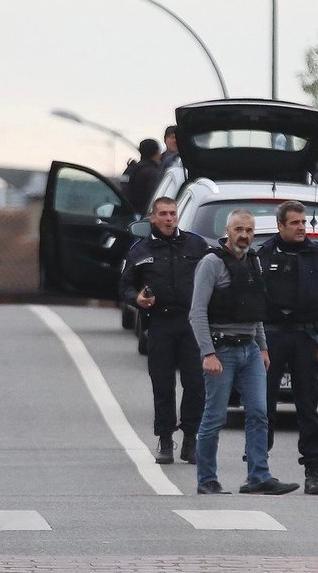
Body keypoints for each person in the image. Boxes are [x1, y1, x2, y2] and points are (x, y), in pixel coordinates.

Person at [188, 209, 299, 495]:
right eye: (238, 230)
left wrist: (262, 347)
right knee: (215, 417)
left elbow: (256, 310)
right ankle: (207, 480)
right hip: (221, 350)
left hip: (250, 350)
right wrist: (207, 353)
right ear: (228, 230)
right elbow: (197, 312)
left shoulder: (254, 262)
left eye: (249, 231)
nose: (244, 236)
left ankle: (258, 476)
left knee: (260, 414)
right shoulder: (211, 263)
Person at [258, 200, 318, 496]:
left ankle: (312, 471)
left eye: (303, 223)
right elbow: (253, 300)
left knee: (307, 405)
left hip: (306, 339)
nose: (301, 228)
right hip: (272, 338)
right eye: (294, 223)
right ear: (280, 225)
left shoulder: (316, 254)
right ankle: (259, 468)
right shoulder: (265, 254)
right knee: (263, 404)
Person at [120, 196, 209, 465]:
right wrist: (138, 299)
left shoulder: (196, 245)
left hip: (191, 323)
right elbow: (125, 287)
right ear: (153, 218)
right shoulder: (140, 250)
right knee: (162, 384)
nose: (169, 219)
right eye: (164, 214)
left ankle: (191, 438)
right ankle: (166, 439)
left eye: (173, 213)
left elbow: (212, 277)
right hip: (159, 323)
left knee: (195, 383)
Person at [127, 139, 164, 215]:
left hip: (130, 213)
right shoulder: (153, 173)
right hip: (146, 214)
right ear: (156, 153)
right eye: (159, 151)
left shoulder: (132, 169)